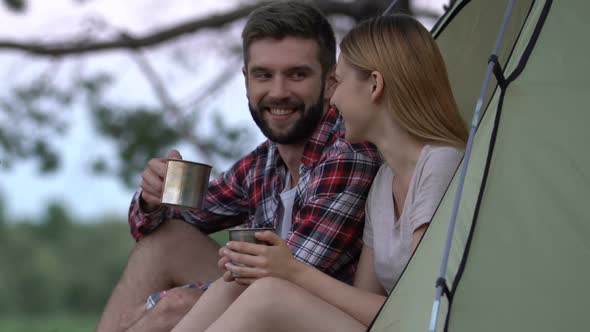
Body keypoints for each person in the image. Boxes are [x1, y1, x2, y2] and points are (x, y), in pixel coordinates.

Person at [171, 14, 468, 332]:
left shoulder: (440, 166)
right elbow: (363, 300)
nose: (333, 98)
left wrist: (292, 272)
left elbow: (421, 307)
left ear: (375, 85)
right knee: (240, 282)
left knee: (268, 293)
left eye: (339, 82)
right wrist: (264, 267)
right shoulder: (385, 183)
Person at [95, 2, 381, 332]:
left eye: (297, 74)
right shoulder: (265, 161)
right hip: (259, 300)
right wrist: (152, 198)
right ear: (246, 80)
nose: (278, 92)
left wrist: (165, 304)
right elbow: (161, 223)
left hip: (314, 316)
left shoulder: (348, 152)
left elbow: (289, 282)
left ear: (330, 81)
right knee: (165, 240)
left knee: (180, 307)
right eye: (263, 75)